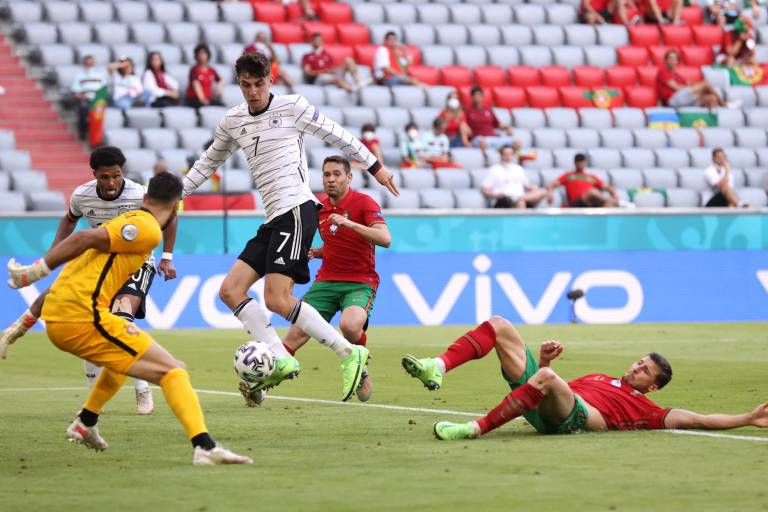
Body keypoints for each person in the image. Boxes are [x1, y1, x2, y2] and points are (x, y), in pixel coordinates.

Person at [182, 52, 398, 404]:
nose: (253, 92)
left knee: (276, 299)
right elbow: (208, 162)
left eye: (259, 84)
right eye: (246, 85)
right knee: (230, 291)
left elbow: (337, 134)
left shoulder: (292, 107)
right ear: (239, 84)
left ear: (271, 80)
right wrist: (171, 195)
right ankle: (279, 357)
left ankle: (348, 353)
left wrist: (375, 167)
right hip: (272, 219)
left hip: (297, 210)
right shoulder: (232, 120)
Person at [5, 172, 250, 465]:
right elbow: (81, 236)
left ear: (145, 198)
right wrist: (33, 273)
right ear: (176, 208)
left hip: (63, 314)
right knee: (174, 371)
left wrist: (20, 325)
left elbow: (70, 276)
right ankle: (205, 447)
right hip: (82, 318)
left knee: (121, 360)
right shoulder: (146, 230)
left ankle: (86, 421)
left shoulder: (119, 226)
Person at [0, 146, 178, 415]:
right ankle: (94, 398)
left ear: (123, 173)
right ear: (94, 174)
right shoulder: (81, 195)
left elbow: (171, 213)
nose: (110, 183)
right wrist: (53, 252)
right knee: (87, 321)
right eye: (104, 177)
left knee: (121, 319)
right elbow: (69, 221)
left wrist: (166, 255)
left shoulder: (139, 194)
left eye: (116, 176)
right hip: (100, 262)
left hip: (138, 262)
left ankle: (142, 390)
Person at [401, 316, 768, 440]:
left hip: (572, 419)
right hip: (547, 401)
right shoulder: (600, 376)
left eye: (645, 371)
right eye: (639, 362)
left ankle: (475, 429)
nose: (637, 367)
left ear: (652, 386)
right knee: (500, 325)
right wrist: (544, 361)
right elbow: (554, 386)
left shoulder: (650, 409)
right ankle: (439, 366)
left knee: (545, 377)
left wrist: (748, 417)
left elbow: (701, 420)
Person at [253, 155, 391, 406]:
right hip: (326, 281)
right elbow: (335, 245)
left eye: (337, 174)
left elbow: (384, 238)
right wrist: (316, 252)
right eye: (327, 174)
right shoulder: (318, 208)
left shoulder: (363, 203)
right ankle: (265, 384)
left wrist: (349, 223)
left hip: (360, 281)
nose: (331, 179)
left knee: (350, 326)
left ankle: (361, 363)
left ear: (349, 177)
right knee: (295, 335)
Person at [657, 50, 729, 109]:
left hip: (684, 99)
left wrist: (698, 87)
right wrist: (699, 88)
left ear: (677, 61)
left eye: (674, 59)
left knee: (712, 98)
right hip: (673, 100)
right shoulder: (663, 72)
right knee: (706, 84)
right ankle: (724, 105)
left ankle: (710, 121)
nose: (672, 60)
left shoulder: (677, 75)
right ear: (665, 60)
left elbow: (688, 83)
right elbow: (677, 87)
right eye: (670, 58)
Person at [481, 144, 546, 209]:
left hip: (521, 197)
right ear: (501, 155)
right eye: (506, 154)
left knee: (543, 191)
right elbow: (484, 189)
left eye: (510, 154)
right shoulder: (494, 170)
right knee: (521, 203)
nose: (508, 156)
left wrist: (533, 188)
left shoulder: (518, 169)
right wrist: (496, 195)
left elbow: (528, 185)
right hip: (504, 199)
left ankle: (518, 199)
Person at [547, 153, 619, 207]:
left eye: (582, 162)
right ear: (575, 163)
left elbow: (607, 187)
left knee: (607, 205)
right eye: (578, 162)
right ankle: (615, 202)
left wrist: (614, 193)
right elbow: (552, 184)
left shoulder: (591, 177)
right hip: (577, 203)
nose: (580, 164)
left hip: (592, 202)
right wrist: (550, 193)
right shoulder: (568, 176)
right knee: (592, 192)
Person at [464, 87, 515, 153]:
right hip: (478, 138)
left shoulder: (488, 109)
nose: (477, 97)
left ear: (482, 96)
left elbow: (498, 124)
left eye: (479, 95)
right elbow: (463, 124)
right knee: (482, 142)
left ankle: (512, 161)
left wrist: (508, 128)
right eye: (475, 95)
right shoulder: (467, 110)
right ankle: (487, 159)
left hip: (493, 137)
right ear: (471, 97)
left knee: (516, 142)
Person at [71, 54, 107, 140]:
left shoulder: (100, 75)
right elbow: (75, 91)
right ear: (84, 64)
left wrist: (99, 99)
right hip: (85, 99)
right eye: (87, 63)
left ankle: (96, 138)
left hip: (98, 100)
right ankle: (83, 131)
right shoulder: (79, 76)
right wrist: (81, 96)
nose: (89, 65)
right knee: (83, 107)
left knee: (98, 112)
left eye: (91, 63)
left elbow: (104, 89)